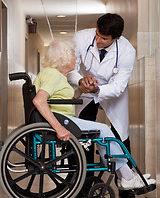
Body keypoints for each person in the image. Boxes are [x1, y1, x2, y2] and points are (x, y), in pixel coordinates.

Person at [33, 40, 155, 196]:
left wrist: (81, 90)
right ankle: (127, 176)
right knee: (103, 129)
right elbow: (39, 100)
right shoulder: (53, 75)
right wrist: (59, 128)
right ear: (63, 59)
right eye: (72, 56)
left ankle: (126, 175)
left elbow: (63, 99)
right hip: (61, 120)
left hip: (62, 117)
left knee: (102, 131)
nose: (76, 59)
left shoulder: (51, 74)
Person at [67, 13, 136, 197]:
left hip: (112, 93)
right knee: (84, 134)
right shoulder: (81, 37)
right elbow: (70, 68)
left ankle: (125, 187)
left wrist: (97, 90)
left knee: (120, 136)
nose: (98, 40)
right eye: (97, 34)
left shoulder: (127, 51)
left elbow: (118, 87)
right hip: (85, 88)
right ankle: (84, 185)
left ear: (116, 38)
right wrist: (82, 80)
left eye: (104, 38)